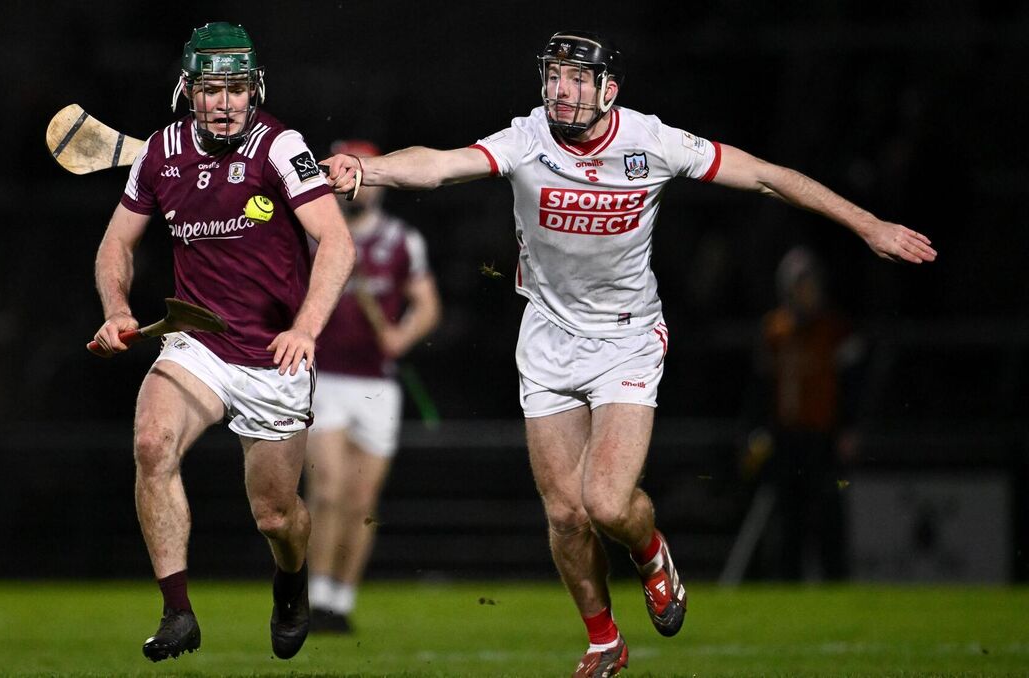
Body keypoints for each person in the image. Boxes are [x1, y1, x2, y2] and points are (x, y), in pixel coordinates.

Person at [322, 30, 936, 677]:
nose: (560, 89)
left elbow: (766, 176)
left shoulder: (652, 142)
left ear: (609, 91)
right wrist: (372, 168)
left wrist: (869, 225)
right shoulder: (527, 138)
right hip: (548, 340)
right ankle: (603, 640)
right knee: (564, 515)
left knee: (608, 504)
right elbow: (441, 164)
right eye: (553, 76)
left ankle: (651, 555)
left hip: (626, 339)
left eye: (576, 79)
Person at [90, 22, 354, 663]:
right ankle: (178, 611)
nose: (225, 102)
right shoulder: (161, 152)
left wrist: (306, 328)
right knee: (152, 442)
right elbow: (115, 245)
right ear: (190, 91)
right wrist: (117, 309)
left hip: (274, 355)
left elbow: (337, 243)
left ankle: (291, 583)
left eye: (237, 89)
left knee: (274, 516)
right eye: (212, 90)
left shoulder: (279, 146)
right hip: (196, 340)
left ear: (254, 89)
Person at [303, 140, 442, 634]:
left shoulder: (401, 239)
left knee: (362, 502)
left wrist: (400, 337)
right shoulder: (314, 235)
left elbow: (426, 305)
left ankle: (340, 601)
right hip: (325, 377)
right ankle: (314, 597)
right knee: (327, 489)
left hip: (377, 385)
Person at [747, 246, 862, 580]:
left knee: (828, 514)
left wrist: (849, 428)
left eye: (810, 285)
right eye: (799, 285)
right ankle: (787, 584)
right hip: (787, 438)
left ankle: (836, 581)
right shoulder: (775, 330)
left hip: (823, 437)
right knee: (788, 520)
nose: (805, 293)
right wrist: (758, 431)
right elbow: (760, 387)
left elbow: (852, 385)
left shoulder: (835, 329)